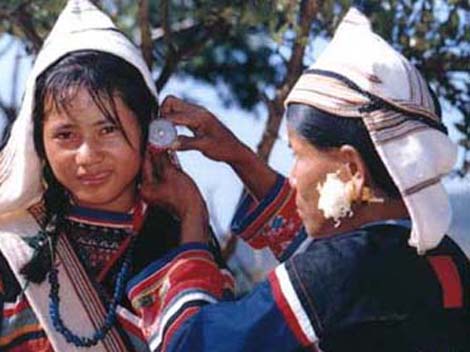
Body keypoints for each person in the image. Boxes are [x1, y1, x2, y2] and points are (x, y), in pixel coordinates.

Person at [123, 7, 470, 352]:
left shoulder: (342, 271)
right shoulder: (441, 256)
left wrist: (191, 218)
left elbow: (193, 345)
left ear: (351, 169)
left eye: (297, 154)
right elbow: (328, 249)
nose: (292, 175)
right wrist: (238, 156)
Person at [0, 1, 231, 351]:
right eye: (65, 135)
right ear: (39, 143)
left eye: (108, 129)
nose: (88, 156)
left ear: (146, 130)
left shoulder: (178, 237)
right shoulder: (12, 247)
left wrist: (192, 217)